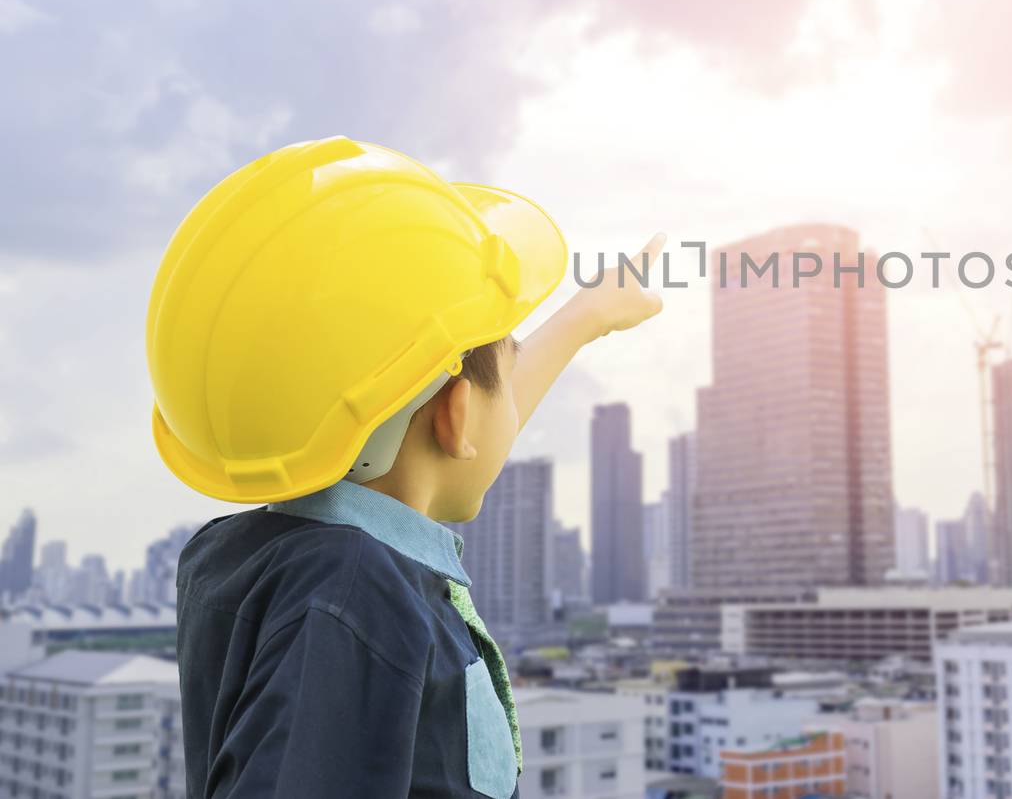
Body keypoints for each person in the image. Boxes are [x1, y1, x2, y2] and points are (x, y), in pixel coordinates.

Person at [147, 135, 664, 797]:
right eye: (505, 373)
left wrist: (586, 316)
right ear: (453, 413)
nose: (511, 393)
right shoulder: (354, 601)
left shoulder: (264, 558)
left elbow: (456, 422)